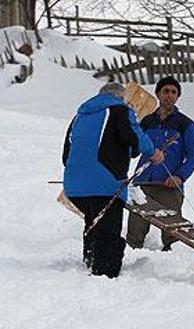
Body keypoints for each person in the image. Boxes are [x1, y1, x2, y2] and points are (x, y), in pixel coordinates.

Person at [62, 82, 163, 278]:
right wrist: (153, 152)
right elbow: (134, 136)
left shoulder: (80, 115)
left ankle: (90, 262)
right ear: (120, 96)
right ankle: (105, 273)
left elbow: (66, 153)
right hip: (105, 184)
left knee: (94, 222)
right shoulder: (119, 109)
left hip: (74, 187)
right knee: (108, 230)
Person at [126, 76, 194, 251]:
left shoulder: (186, 124)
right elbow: (134, 149)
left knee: (172, 237)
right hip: (142, 184)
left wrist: (179, 176)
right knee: (134, 234)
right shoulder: (146, 122)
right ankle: (129, 268)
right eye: (165, 91)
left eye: (173, 92)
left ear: (178, 97)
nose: (169, 95)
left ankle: (169, 269)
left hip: (169, 186)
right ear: (158, 94)